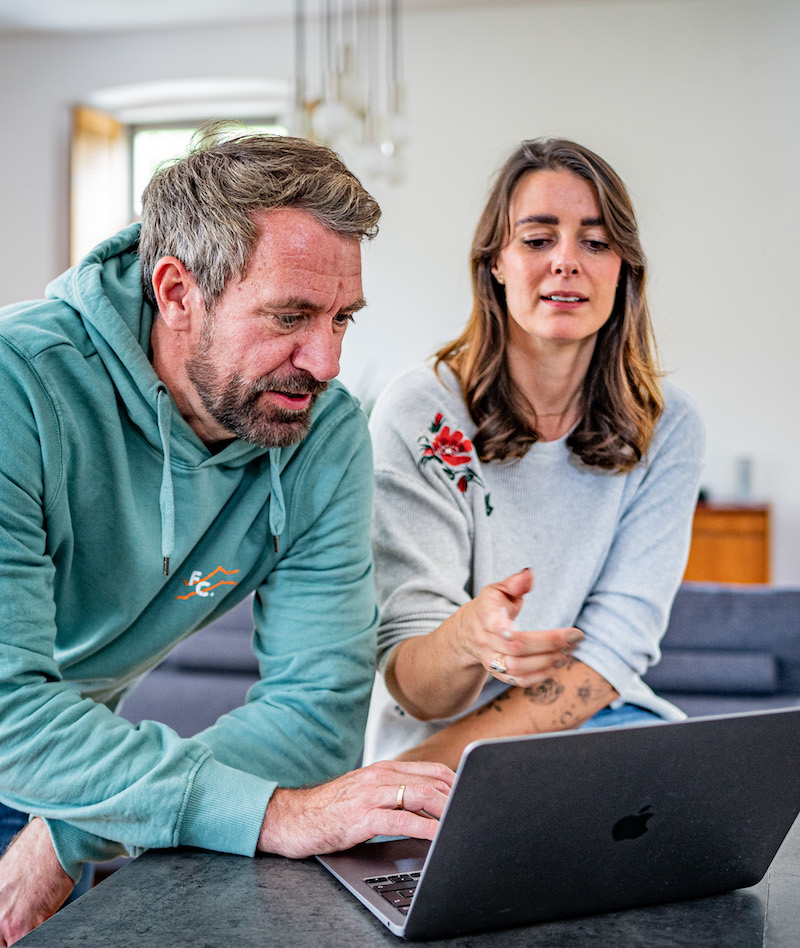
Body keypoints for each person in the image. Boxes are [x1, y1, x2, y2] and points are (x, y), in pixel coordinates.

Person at [0, 127, 453, 946]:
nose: (325, 361)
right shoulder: (15, 391)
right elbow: (8, 714)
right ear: (176, 291)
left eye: (342, 317)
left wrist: (69, 828)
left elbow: (318, 714)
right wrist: (270, 814)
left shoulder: (322, 434)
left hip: (75, 779)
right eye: (290, 316)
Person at [362, 138, 705, 770]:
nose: (567, 261)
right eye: (538, 238)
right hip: (437, 748)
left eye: (596, 242)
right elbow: (416, 685)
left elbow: (613, 651)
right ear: (494, 261)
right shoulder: (420, 413)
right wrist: (468, 640)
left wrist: (429, 767)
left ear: (623, 268)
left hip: (600, 726)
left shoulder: (669, 425)